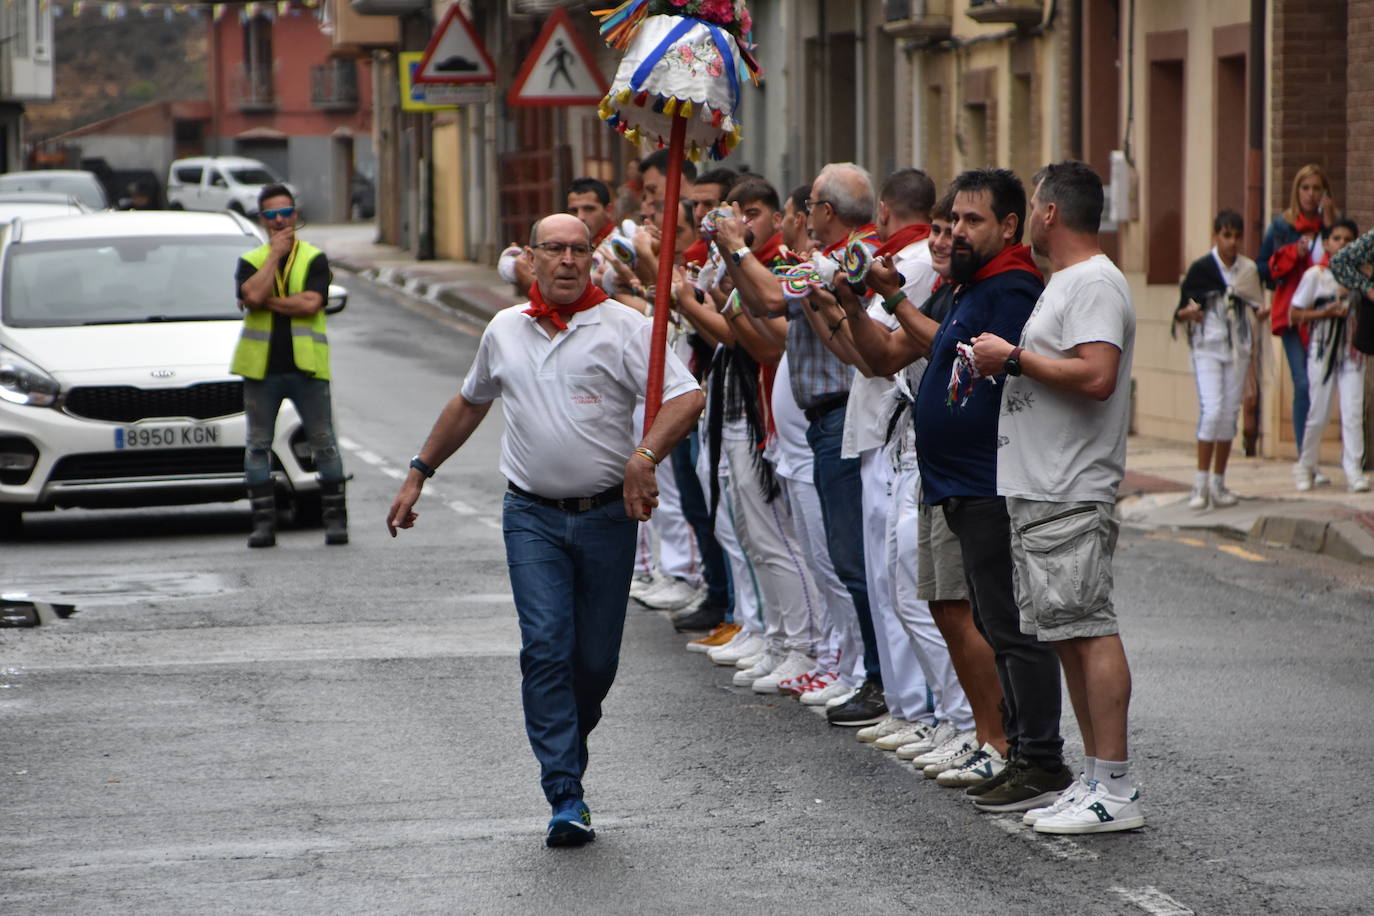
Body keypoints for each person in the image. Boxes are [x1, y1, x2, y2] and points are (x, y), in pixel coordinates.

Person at [386, 213, 704, 847]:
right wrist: (419, 471)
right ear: (530, 259)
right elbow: (470, 401)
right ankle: (565, 792)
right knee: (546, 647)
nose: (567, 260)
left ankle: (566, 742)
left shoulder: (626, 327)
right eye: (553, 249)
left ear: (591, 258)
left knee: (595, 662)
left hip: (607, 516)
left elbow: (687, 395)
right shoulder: (505, 329)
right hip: (531, 516)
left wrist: (644, 456)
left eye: (578, 249)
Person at [970, 160, 1142, 834]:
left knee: (1089, 629)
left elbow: (1097, 375)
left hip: (1070, 486)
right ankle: (1095, 779)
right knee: (1068, 635)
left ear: (1049, 213)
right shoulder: (1067, 281)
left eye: (1035, 202)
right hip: (1043, 486)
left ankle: (1116, 787)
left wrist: (1012, 357)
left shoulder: (1094, 281)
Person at [909, 168, 1069, 813]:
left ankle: (1041, 760)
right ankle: (1020, 752)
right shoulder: (975, 286)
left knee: (1012, 625)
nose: (958, 231)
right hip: (961, 485)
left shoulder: (1011, 289)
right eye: (954, 219)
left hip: (989, 485)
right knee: (993, 621)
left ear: (1008, 226)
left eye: (972, 220)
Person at [232, 184, 347, 549]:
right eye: (271, 215)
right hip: (261, 368)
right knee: (257, 446)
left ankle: (335, 522)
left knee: (324, 443)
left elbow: (311, 304)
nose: (280, 220)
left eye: (286, 213)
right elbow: (252, 294)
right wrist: (273, 258)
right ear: (262, 220)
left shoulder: (314, 259)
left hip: (306, 368)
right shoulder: (251, 261)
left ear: (296, 216)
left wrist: (265, 301)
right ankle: (263, 525)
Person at [1174, 210, 1264, 509]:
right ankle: (1200, 484)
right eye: (1226, 235)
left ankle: (1219, 482)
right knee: (1212, 410)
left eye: (1237, 236)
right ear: (1215, 236)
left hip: (1238, 349)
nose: (1232, 242)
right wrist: (1189, 313)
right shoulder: (1202, 269)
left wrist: (1260, 313)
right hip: (1208, 347)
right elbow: (1181, 310)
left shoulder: (1247, 270)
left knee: (1228, 415)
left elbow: (1255, 303)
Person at [1258, 164, 1340, 453]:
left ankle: (1312, 454)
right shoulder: (1283, 226)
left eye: (1316, 188)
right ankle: (1304, 454)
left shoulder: (1335, 228)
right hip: (1293, 314)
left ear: (1325, 193)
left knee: (1320, 385)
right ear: (1297, 191)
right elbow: (1263, 267)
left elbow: (1344, 262)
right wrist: (1291, 255)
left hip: (1327, 315)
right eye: (1305, 188)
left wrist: (1329, 224)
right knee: (1303, 383)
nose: (1310, 194)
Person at [1292, 219, 1368, 492]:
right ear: (1326, 243)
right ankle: (1306, 464)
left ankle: (1353, 469)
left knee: (1352, 411)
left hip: (1352, 352)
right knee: (1319, 412)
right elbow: (1294, 313)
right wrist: (1324, 312)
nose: (1342, 244)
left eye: (1348, 240)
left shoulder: (1362, 276)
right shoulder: (1316, 275)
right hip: (1323, 348)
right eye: (1337, 239)